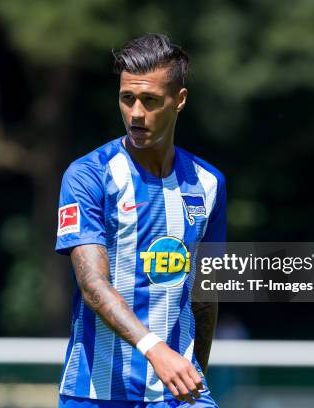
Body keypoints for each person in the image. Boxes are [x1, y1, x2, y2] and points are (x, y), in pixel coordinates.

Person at [55, 33, 226, 407]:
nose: (135, 113)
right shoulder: (88, 176)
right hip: (96, 392)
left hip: (177, 393)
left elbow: (205, 295)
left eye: (150, 100)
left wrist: (194, 372)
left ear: (179, 101)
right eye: (127, 98)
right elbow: (92, 286)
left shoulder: (209, 183)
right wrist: (156, 350)